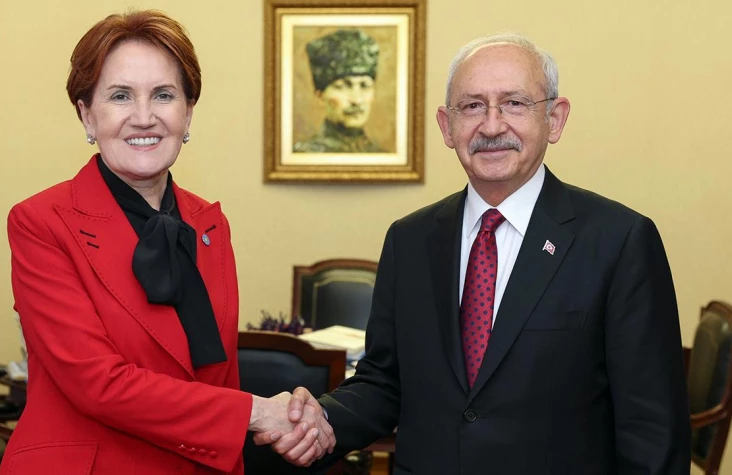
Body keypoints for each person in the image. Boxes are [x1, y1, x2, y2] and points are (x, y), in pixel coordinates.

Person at [256, 32, 691, 473]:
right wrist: (321, 421)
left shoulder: (619, 240)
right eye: (472, 106)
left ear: (555, 119)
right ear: (447, 126)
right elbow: (385, 382)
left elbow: (652, 430)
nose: (492, 125)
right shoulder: (410, 239)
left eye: (515, 103)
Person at [0, 10, 330, 474]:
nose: (144, 117)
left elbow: (218, 376)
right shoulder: (41, 223)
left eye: (163, 95)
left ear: (187, 112)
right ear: (87, 114)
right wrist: (256, 413)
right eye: (120, 96)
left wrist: (292, 419)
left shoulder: (209, 224)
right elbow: (97, 384)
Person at [292, 29, 385, 153]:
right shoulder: (303, 155)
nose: (356, 100)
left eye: (364, 86)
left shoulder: (381, 156)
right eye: (343, 86)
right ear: (320, 96)